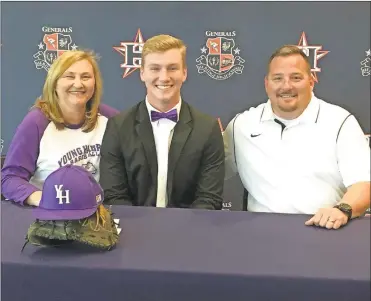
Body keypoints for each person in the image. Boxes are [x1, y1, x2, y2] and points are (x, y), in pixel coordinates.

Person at [224, 45, 370, 229]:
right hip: (260, 236)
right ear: (266, 84)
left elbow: (363, 184)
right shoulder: (241, 126)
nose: (287, 86)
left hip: (324, 232)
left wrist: (342, 210)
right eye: (278, 78)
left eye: (296, 78)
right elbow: (209, 171)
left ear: (311, 81)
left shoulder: (340, 121)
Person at [99, 34, 224, 209]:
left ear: (184, 73)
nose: (164, 77)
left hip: (190, 232)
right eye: (155, 68)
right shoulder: (118, 127)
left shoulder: (208, 129)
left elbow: (209, 199)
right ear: (142, 73)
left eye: (172, 68)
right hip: (133, 231)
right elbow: (114, 196)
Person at [1, 50, 119, 207]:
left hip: (95, 214)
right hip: (49, 215)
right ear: (54, 83)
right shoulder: (37, 122)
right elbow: (10, 178)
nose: (78, 84)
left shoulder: (110, 119)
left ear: (95, 83)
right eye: (69, 76)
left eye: (85, 77)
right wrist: (46, 200)